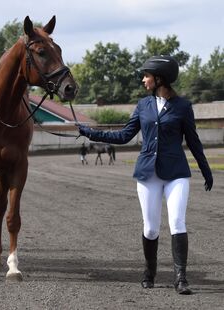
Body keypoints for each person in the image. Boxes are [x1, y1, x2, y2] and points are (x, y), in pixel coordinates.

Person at [77, 55, 213, 295]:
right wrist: (91, 133)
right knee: (150, 229)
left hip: (176, 174)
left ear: (159, 78)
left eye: (146, 76)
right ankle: (149, 272)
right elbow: (123, 136)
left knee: (177, 222)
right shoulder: (143, 106)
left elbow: (194, 141)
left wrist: (205, 170)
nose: (143, 80)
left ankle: (181, 278)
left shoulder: (183, 107)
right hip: (148, 173)